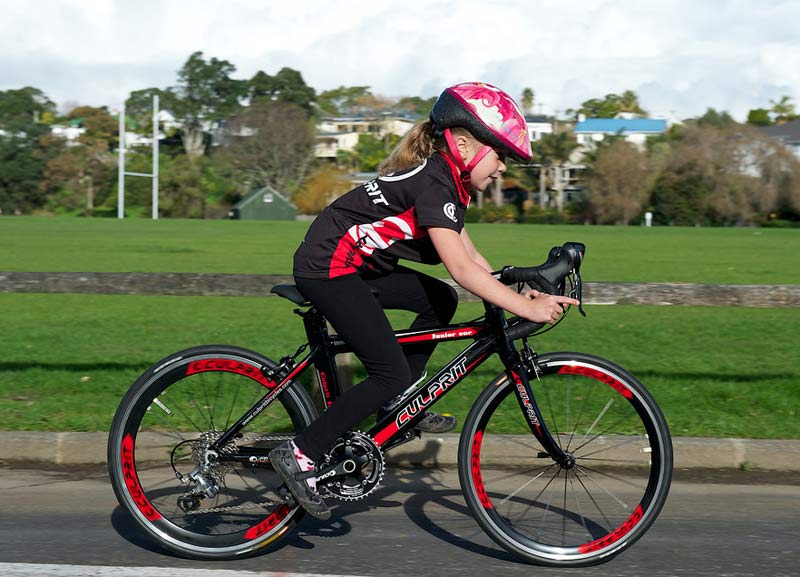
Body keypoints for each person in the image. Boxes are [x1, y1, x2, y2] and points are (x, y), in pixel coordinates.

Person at [270, 82, 580, 519]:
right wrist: (525, 309)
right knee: (388, 370)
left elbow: (472, 258)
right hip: (329, 269)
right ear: (464, 142)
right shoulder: (436, 185)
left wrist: (513, 292)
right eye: (501, 154)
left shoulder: (447, 183)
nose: (504, 168)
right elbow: (461, 268)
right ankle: (300, 454)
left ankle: (396, 403)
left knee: (438, 299)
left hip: (356, 266)